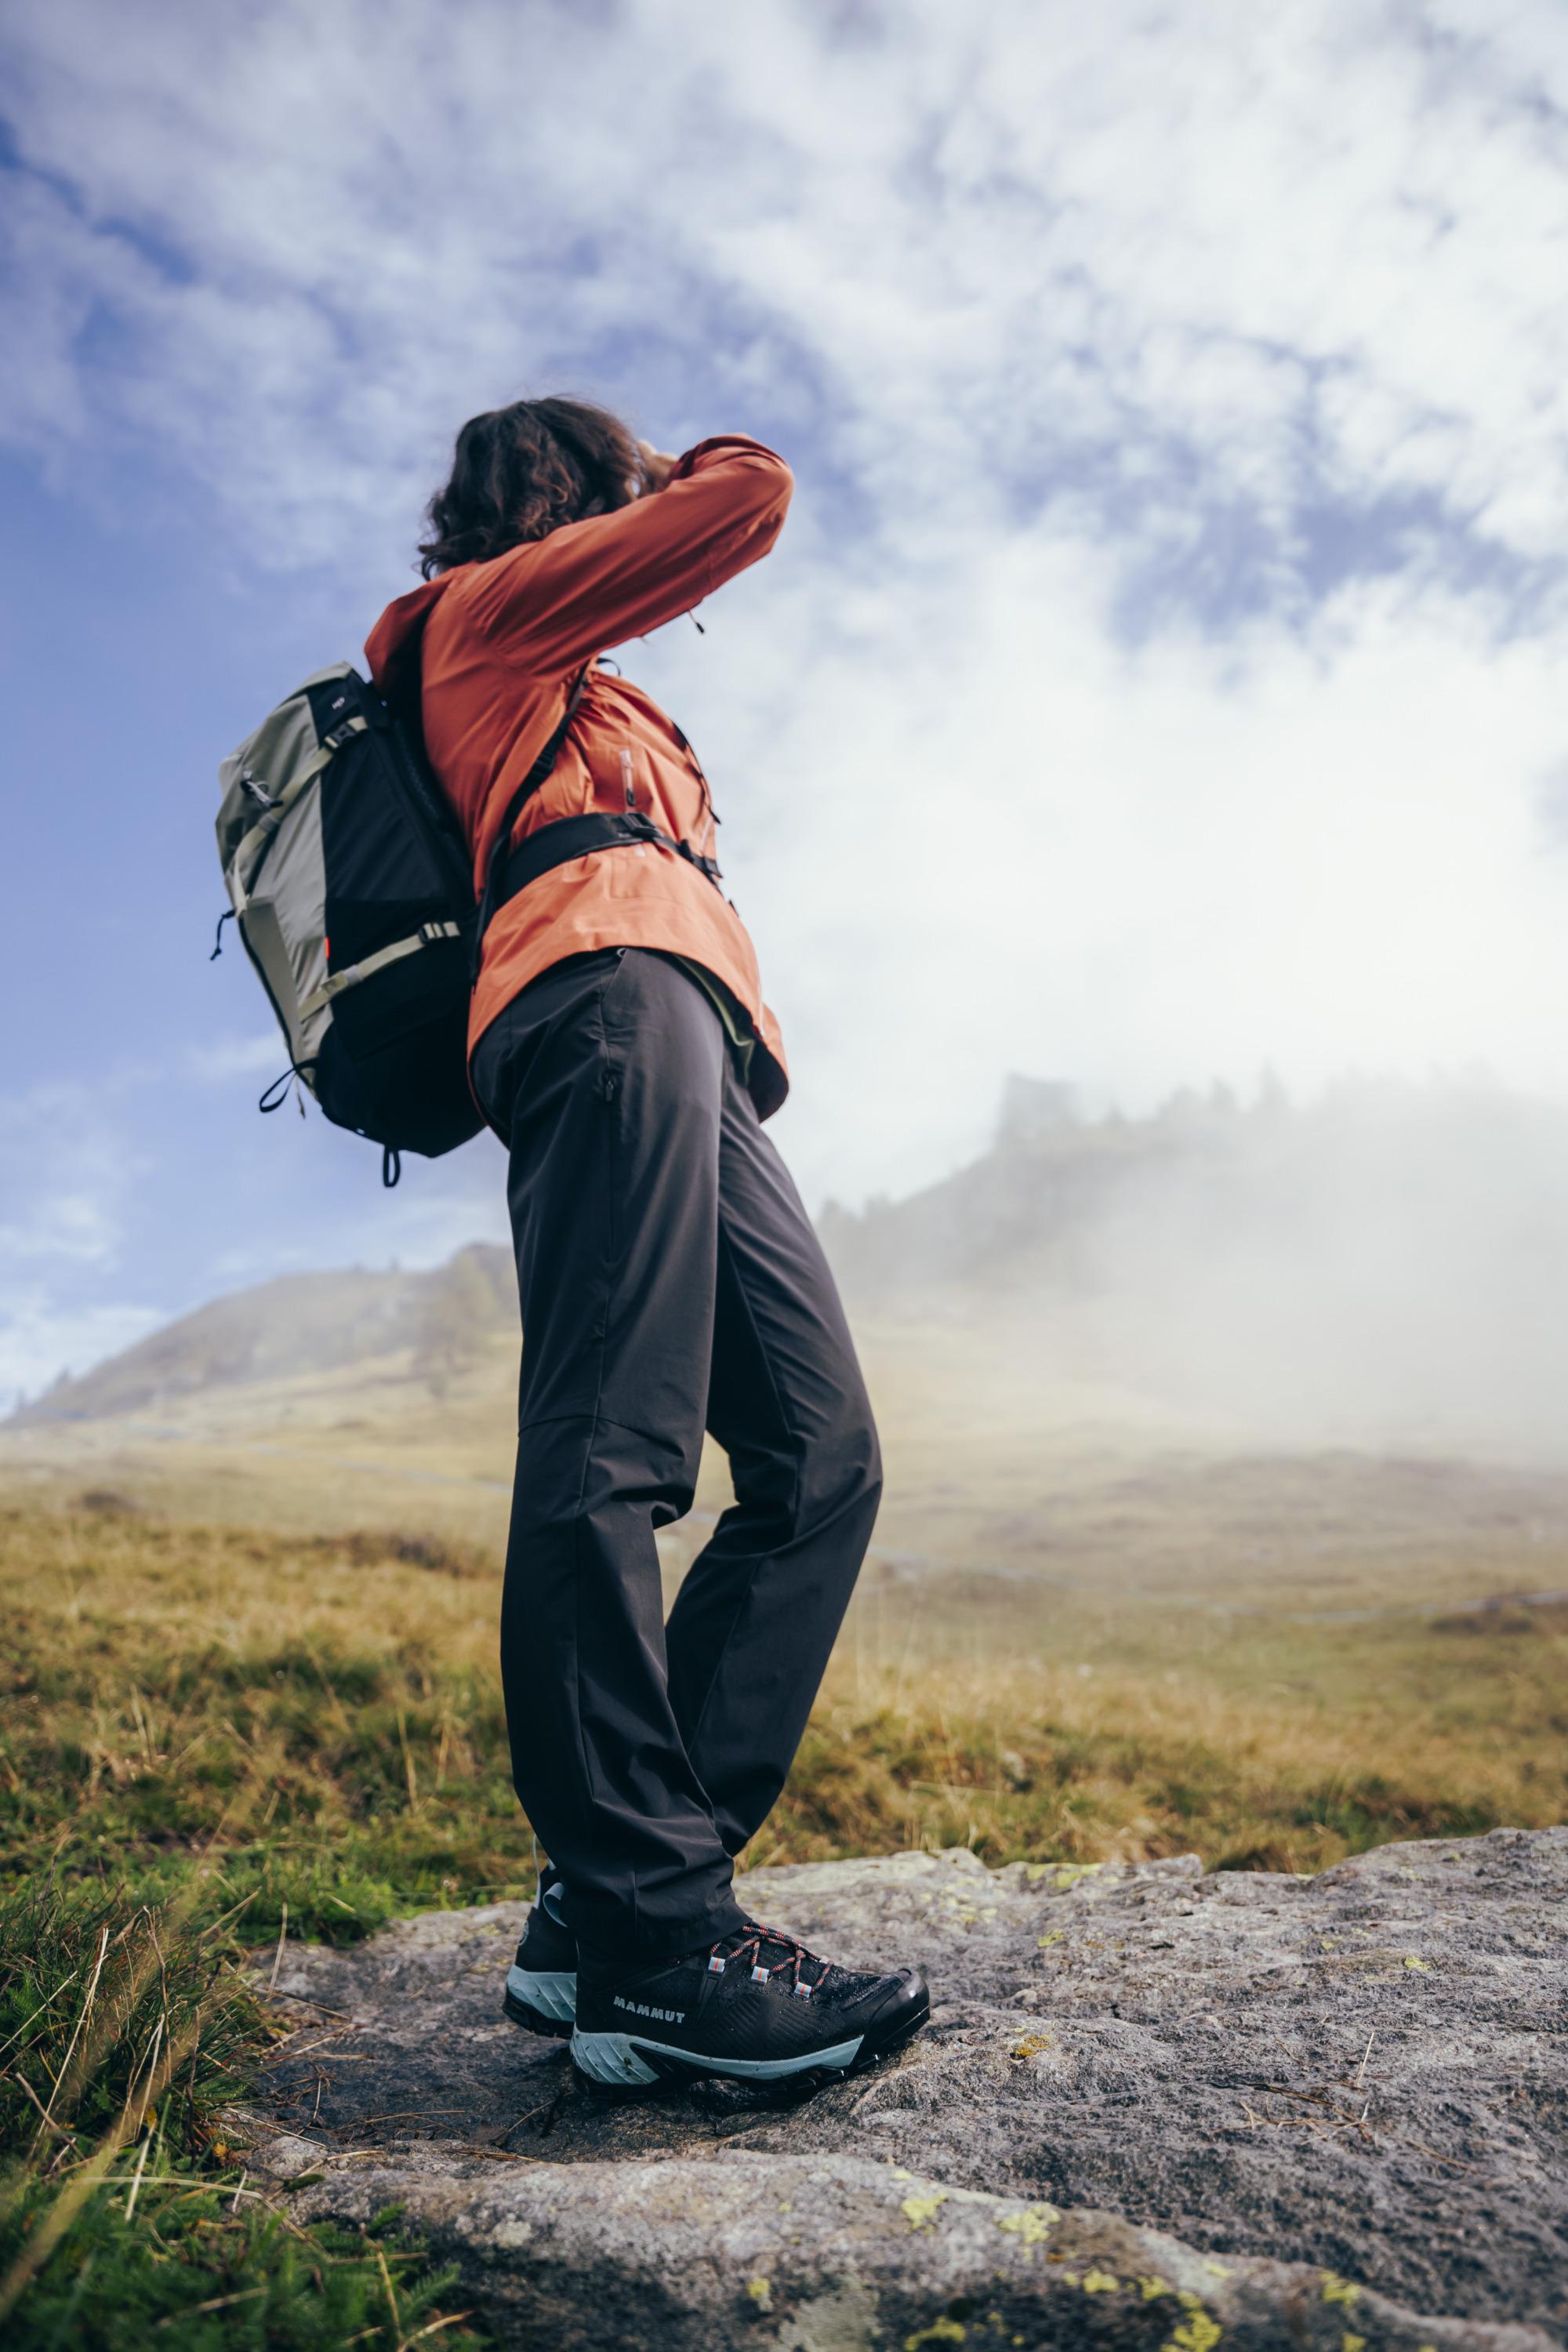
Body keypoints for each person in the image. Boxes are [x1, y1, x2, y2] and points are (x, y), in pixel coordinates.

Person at [365, 397, 927, 2089]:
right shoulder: (491, 615)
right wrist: (685, 462)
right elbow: (747, 502)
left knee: (821, 1461)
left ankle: (594, 1914)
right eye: (613, 492)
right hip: (595, 996)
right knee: (613, 1449)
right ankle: (659, 1948)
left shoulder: (572, 665)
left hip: (680, 1025)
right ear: (571, 492)